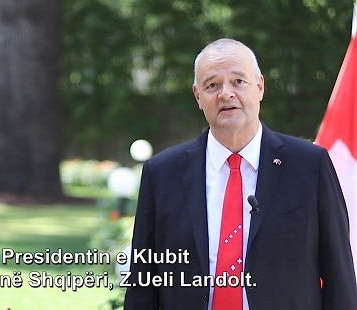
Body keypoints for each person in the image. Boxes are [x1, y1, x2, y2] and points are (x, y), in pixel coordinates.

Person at [124, 38, 357, 309]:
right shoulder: (161, 173)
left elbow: (339, 275)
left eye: (238, 81)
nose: (226, 94)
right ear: (198, 96)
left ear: (260, 86)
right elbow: (143, 282)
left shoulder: (310, 165)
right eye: (212, 85)